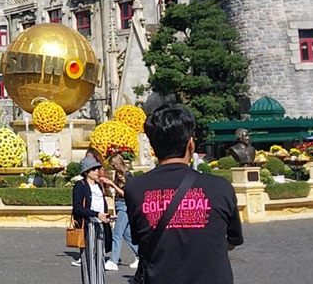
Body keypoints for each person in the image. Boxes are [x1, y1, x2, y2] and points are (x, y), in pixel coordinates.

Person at [124, 105, 243, 284]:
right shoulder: (221, 187)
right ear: (190, 144)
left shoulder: (134, 188)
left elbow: (141, 239)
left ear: (153, 148)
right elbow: (232, 241)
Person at [73, 157, 110, 284]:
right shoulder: (80, 185)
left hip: (100, 224)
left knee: (100, 257)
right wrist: (95, 214)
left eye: (97, 168)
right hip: (88, 225)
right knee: (89, 258)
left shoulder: (99, 186)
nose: (97, 171)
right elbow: (77, 208)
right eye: (93, 169)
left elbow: (101, 204)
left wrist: (106, 216)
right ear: (86, 171)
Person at [100, 154, 139, 271]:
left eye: (113, 165)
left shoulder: (128, 175)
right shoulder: (118, 174)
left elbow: (127, 194)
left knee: (116, 233)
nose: (112, 167)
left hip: (124, 206)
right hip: (119, 204)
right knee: (127, 234)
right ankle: (141, 254)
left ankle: (113, 261)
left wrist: (112, 184)